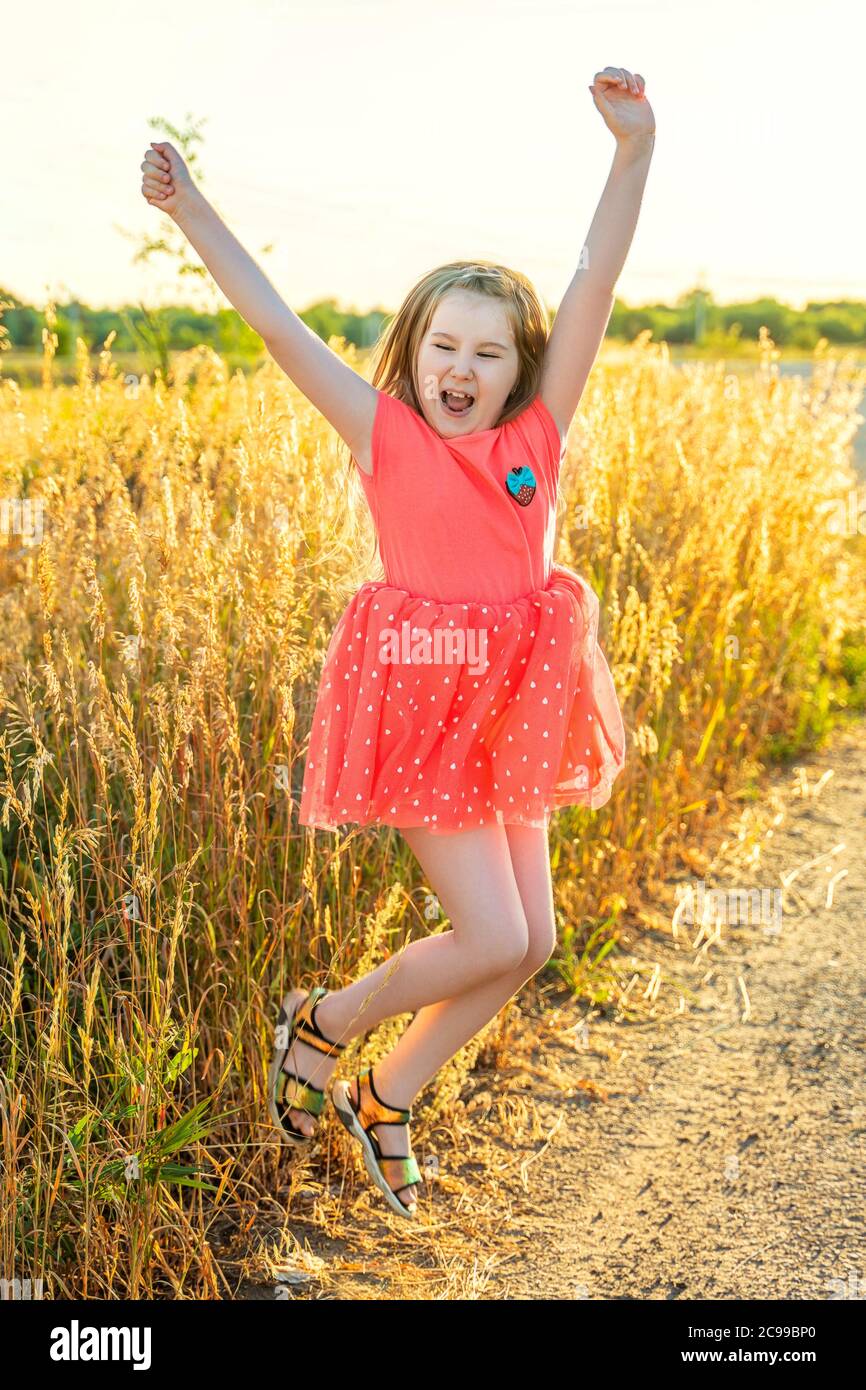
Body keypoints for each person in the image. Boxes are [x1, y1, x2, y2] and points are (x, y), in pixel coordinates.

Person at [140, 64, 654, 1219]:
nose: (459, 370)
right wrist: (189, 208)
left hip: (520, 700)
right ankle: (325, 1017)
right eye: (440, 347)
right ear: (411, 354)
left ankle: (387, 1093)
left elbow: (591, 280)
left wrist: (630, 154)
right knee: (492, 930)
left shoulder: (537, 435)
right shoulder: (381, 434)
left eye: (485, 352)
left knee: (531, 943)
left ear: (521, 367)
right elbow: (273, 320)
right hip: (424, 705)